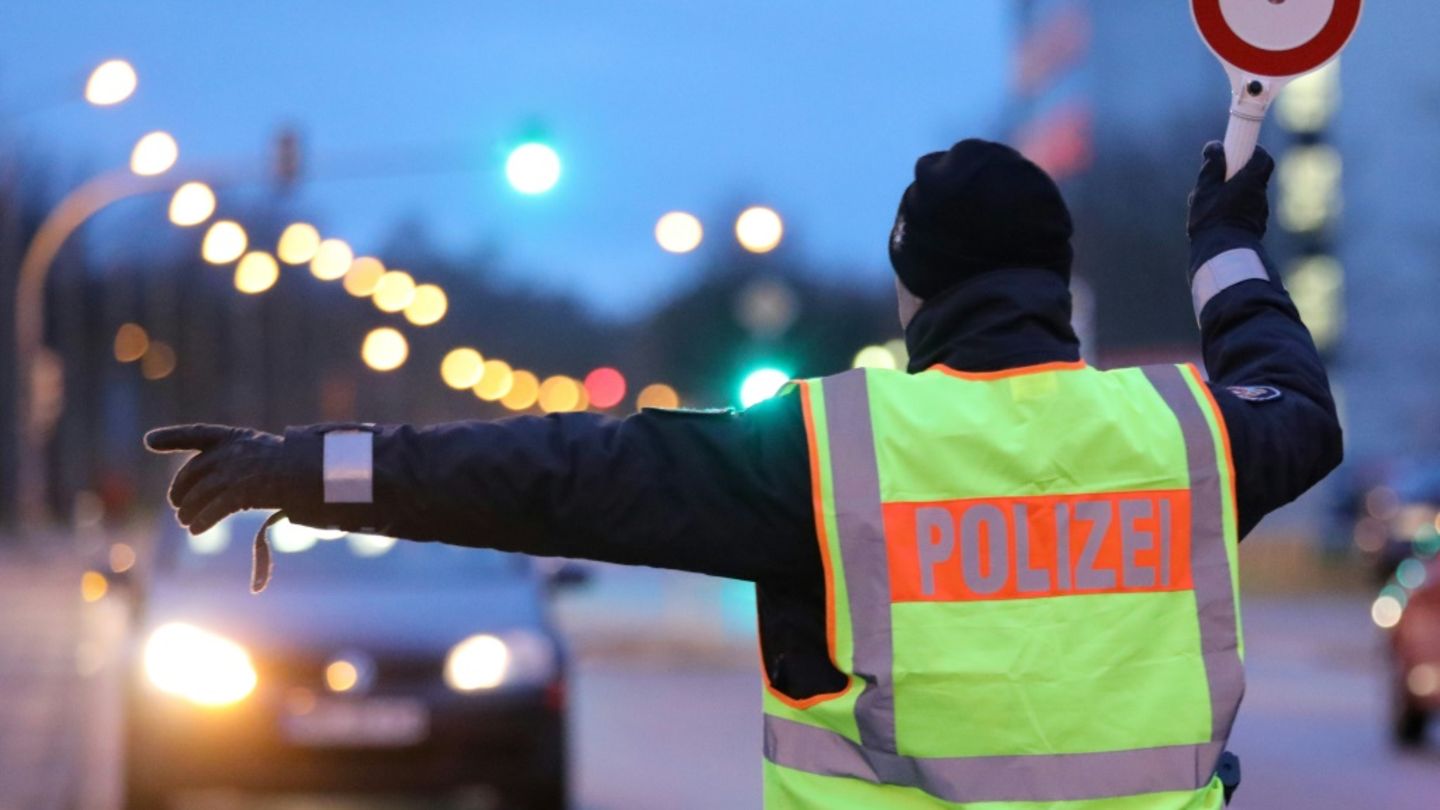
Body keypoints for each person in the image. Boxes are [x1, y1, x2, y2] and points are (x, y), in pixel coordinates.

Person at [147, 139, 1342, 808]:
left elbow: (553, 473)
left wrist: (309, 467)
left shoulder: (831, 454)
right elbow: (1299, 404)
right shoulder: (1183, 439)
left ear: (913, 290)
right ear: (1050, 278)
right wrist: (1225, 246)